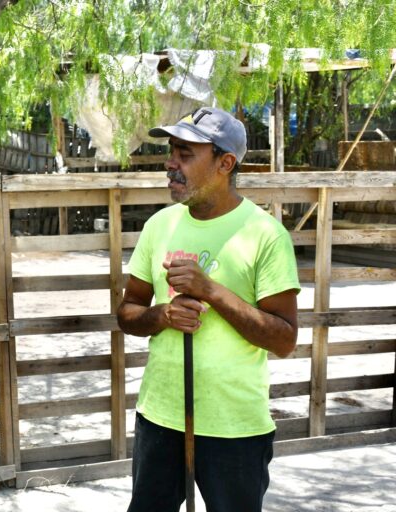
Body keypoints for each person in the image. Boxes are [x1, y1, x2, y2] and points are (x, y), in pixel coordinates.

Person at [118, 107, 300, 512]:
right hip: (160, 418)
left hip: (234, 427)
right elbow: (127, 312)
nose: (171, 163)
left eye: (185, 154)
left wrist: (212, 292)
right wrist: (162, 316)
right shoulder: (159, 225)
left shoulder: (264, 235)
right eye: (172, 152)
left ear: (225, 163)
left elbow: (284, 339)